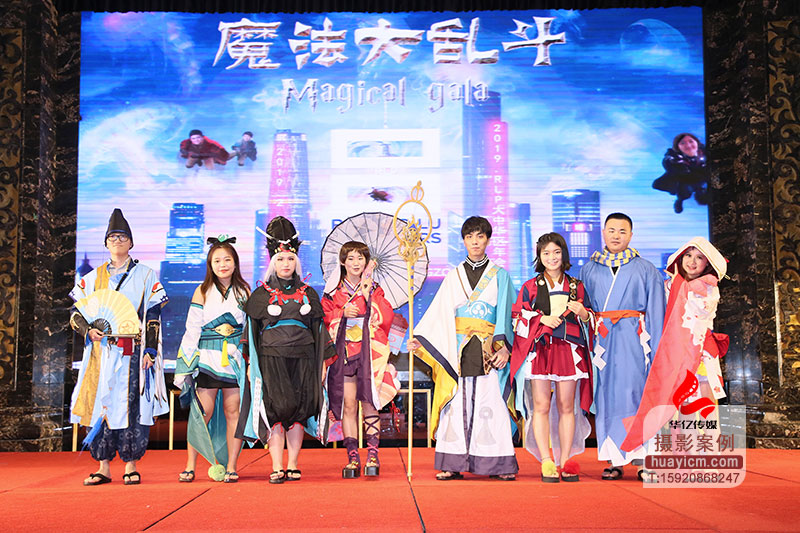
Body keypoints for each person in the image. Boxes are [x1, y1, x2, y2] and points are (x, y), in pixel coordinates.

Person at [408, 216, 518, 481]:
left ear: (488, 239)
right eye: (469, 237)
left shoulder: (500, 275)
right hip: (457, 349)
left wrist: (504, 349)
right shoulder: (453, 276)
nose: (475, 241)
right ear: (464, 241)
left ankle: (497, 464)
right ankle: (452, 462)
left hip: (490, 348)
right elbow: (439, 313)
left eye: (480, 236)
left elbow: (507, 313)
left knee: (491, 403)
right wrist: (422, 339)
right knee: (455, 403)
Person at [69, 208, 168, 486]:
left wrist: (150, 350)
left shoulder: (146, 275)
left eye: (122, 237)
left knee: (131, 403)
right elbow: (76, 314)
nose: (117, 241)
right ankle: (103, 465)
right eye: (112, 237)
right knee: (101, 402)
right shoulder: (91, 278)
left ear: (131, 242)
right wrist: (88, 330)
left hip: (131, 351)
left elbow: (153, 314)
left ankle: (130, 463)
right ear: (106, 243)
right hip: (101, 352)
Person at [236, 216, 334, 484]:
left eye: (290, 258)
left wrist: (322, 364)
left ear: (297, 261)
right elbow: (250, 333)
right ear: (272, 262)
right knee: (276, 410)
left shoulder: (309, 293)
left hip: (304, 359)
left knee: (300, 411)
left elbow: (319, 330)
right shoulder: (260, 295)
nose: (286, 263)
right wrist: (250, 365)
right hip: (271, 359)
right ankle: (277, 465)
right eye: (280, 259)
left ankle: (292, 464)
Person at [621, 237, 728, 453]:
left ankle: (710, 455)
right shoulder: (668, 286)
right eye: (688, 255)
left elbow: (697, 315)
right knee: (682, 405)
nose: (692, 261)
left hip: (701, 353)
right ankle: (687, 454)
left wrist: (682, 286)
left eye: (699, 258)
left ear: (707, 263)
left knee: (705, 405)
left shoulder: (709, 287)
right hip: (675, 353)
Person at [579, 212, 665, 480]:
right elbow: (585, 309)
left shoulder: (646, 269)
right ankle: (613, 459)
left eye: (622, 231)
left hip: (635, 341)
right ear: (603, 233)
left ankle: (643, 459)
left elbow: (657, 311)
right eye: (612, 230)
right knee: (606, 396)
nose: (616, 236)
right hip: (602, 341)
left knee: (636, 394)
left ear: (631, 235)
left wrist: (657, 350)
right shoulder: (589, 269)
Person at [510, 232, 594, 482]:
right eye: (546, 253)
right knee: (541, 406)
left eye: (556, 252)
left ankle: (565, 461)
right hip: (541, 350)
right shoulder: (530, 287)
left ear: (563, 254)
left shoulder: (576, 286)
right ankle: (546, 461)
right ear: (539, 256)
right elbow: (517, 318)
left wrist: (584, 313)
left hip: (569, 350)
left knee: (567, 406)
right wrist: (541, 319)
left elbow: (591, 317)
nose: (552, 257)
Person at [174, 236, 250, 484]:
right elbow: (192, 329)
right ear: (210, 264)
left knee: (233, 411)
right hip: (207, 358)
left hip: (235, 359)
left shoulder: (244, 291)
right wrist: (185, 366)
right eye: (217, 261)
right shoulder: (202, 290)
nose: (222, 265)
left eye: (227, 260)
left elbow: (249, 329)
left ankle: (232, 466)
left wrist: (250, 361)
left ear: (235, 263)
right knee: (202, 412)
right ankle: (190, 465)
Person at [322, 241, 399, 478]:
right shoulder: (333, 292)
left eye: (360, 258)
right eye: (351, 258)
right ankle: (353, 457)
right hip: (344, 353)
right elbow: (323, 317)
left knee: (369, 402)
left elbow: (387, 316)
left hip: (368, 352)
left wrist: (368, 296)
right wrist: (341, 313)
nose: (356, 263)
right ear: (342, 262)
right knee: (348, 404)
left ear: (366, 262)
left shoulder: (374, 288)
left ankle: (373, 455)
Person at [652, 133, 708, 213]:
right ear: (678, 147)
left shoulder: (704, 151)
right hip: (684, 178)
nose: (688, 145)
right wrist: (678, 165)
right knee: (684, 192)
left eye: (691, 141)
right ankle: (680, 200)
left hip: (700, 177)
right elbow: (668, 162)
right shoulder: (674, 157)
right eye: (683, 143)